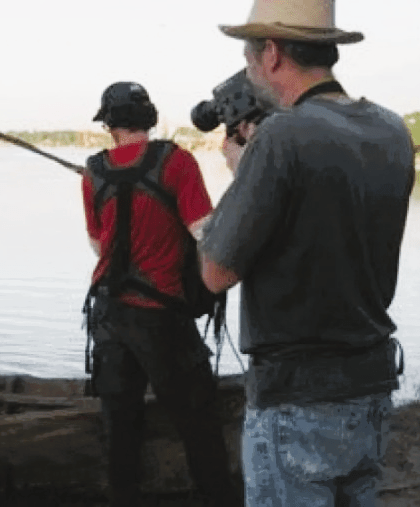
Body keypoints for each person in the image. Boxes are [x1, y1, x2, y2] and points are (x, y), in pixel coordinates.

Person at [200, 1, 415, 505]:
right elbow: (322, 224)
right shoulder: (391, 130)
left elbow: (215, 272)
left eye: (250, 57)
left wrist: (244, 170)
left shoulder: (280, 137)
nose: (249, 70)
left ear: (272, 53)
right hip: (371, 389)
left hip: (296, 400)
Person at [81, 82, 238, 506]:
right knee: (198, 419)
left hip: (108, 313)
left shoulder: (93, 170)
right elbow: (205, 234)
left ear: (110, 126)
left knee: (120, 424)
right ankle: (218, 497)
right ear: (148, 120)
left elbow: (99, 244)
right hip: (162, 314)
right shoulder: (177, 161)